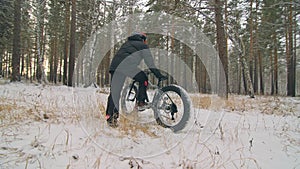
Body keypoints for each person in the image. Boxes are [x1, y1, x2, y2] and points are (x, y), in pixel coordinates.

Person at [105, 32, 166, 127]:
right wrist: (158, 75)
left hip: (115, 67)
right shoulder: (143, 46)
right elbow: (150, 63)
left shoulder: (127, 44)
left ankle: (111, 118)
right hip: (127, 66)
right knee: (143, 79)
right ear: (143, 39)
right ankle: (141, 102)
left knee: (114, 92)